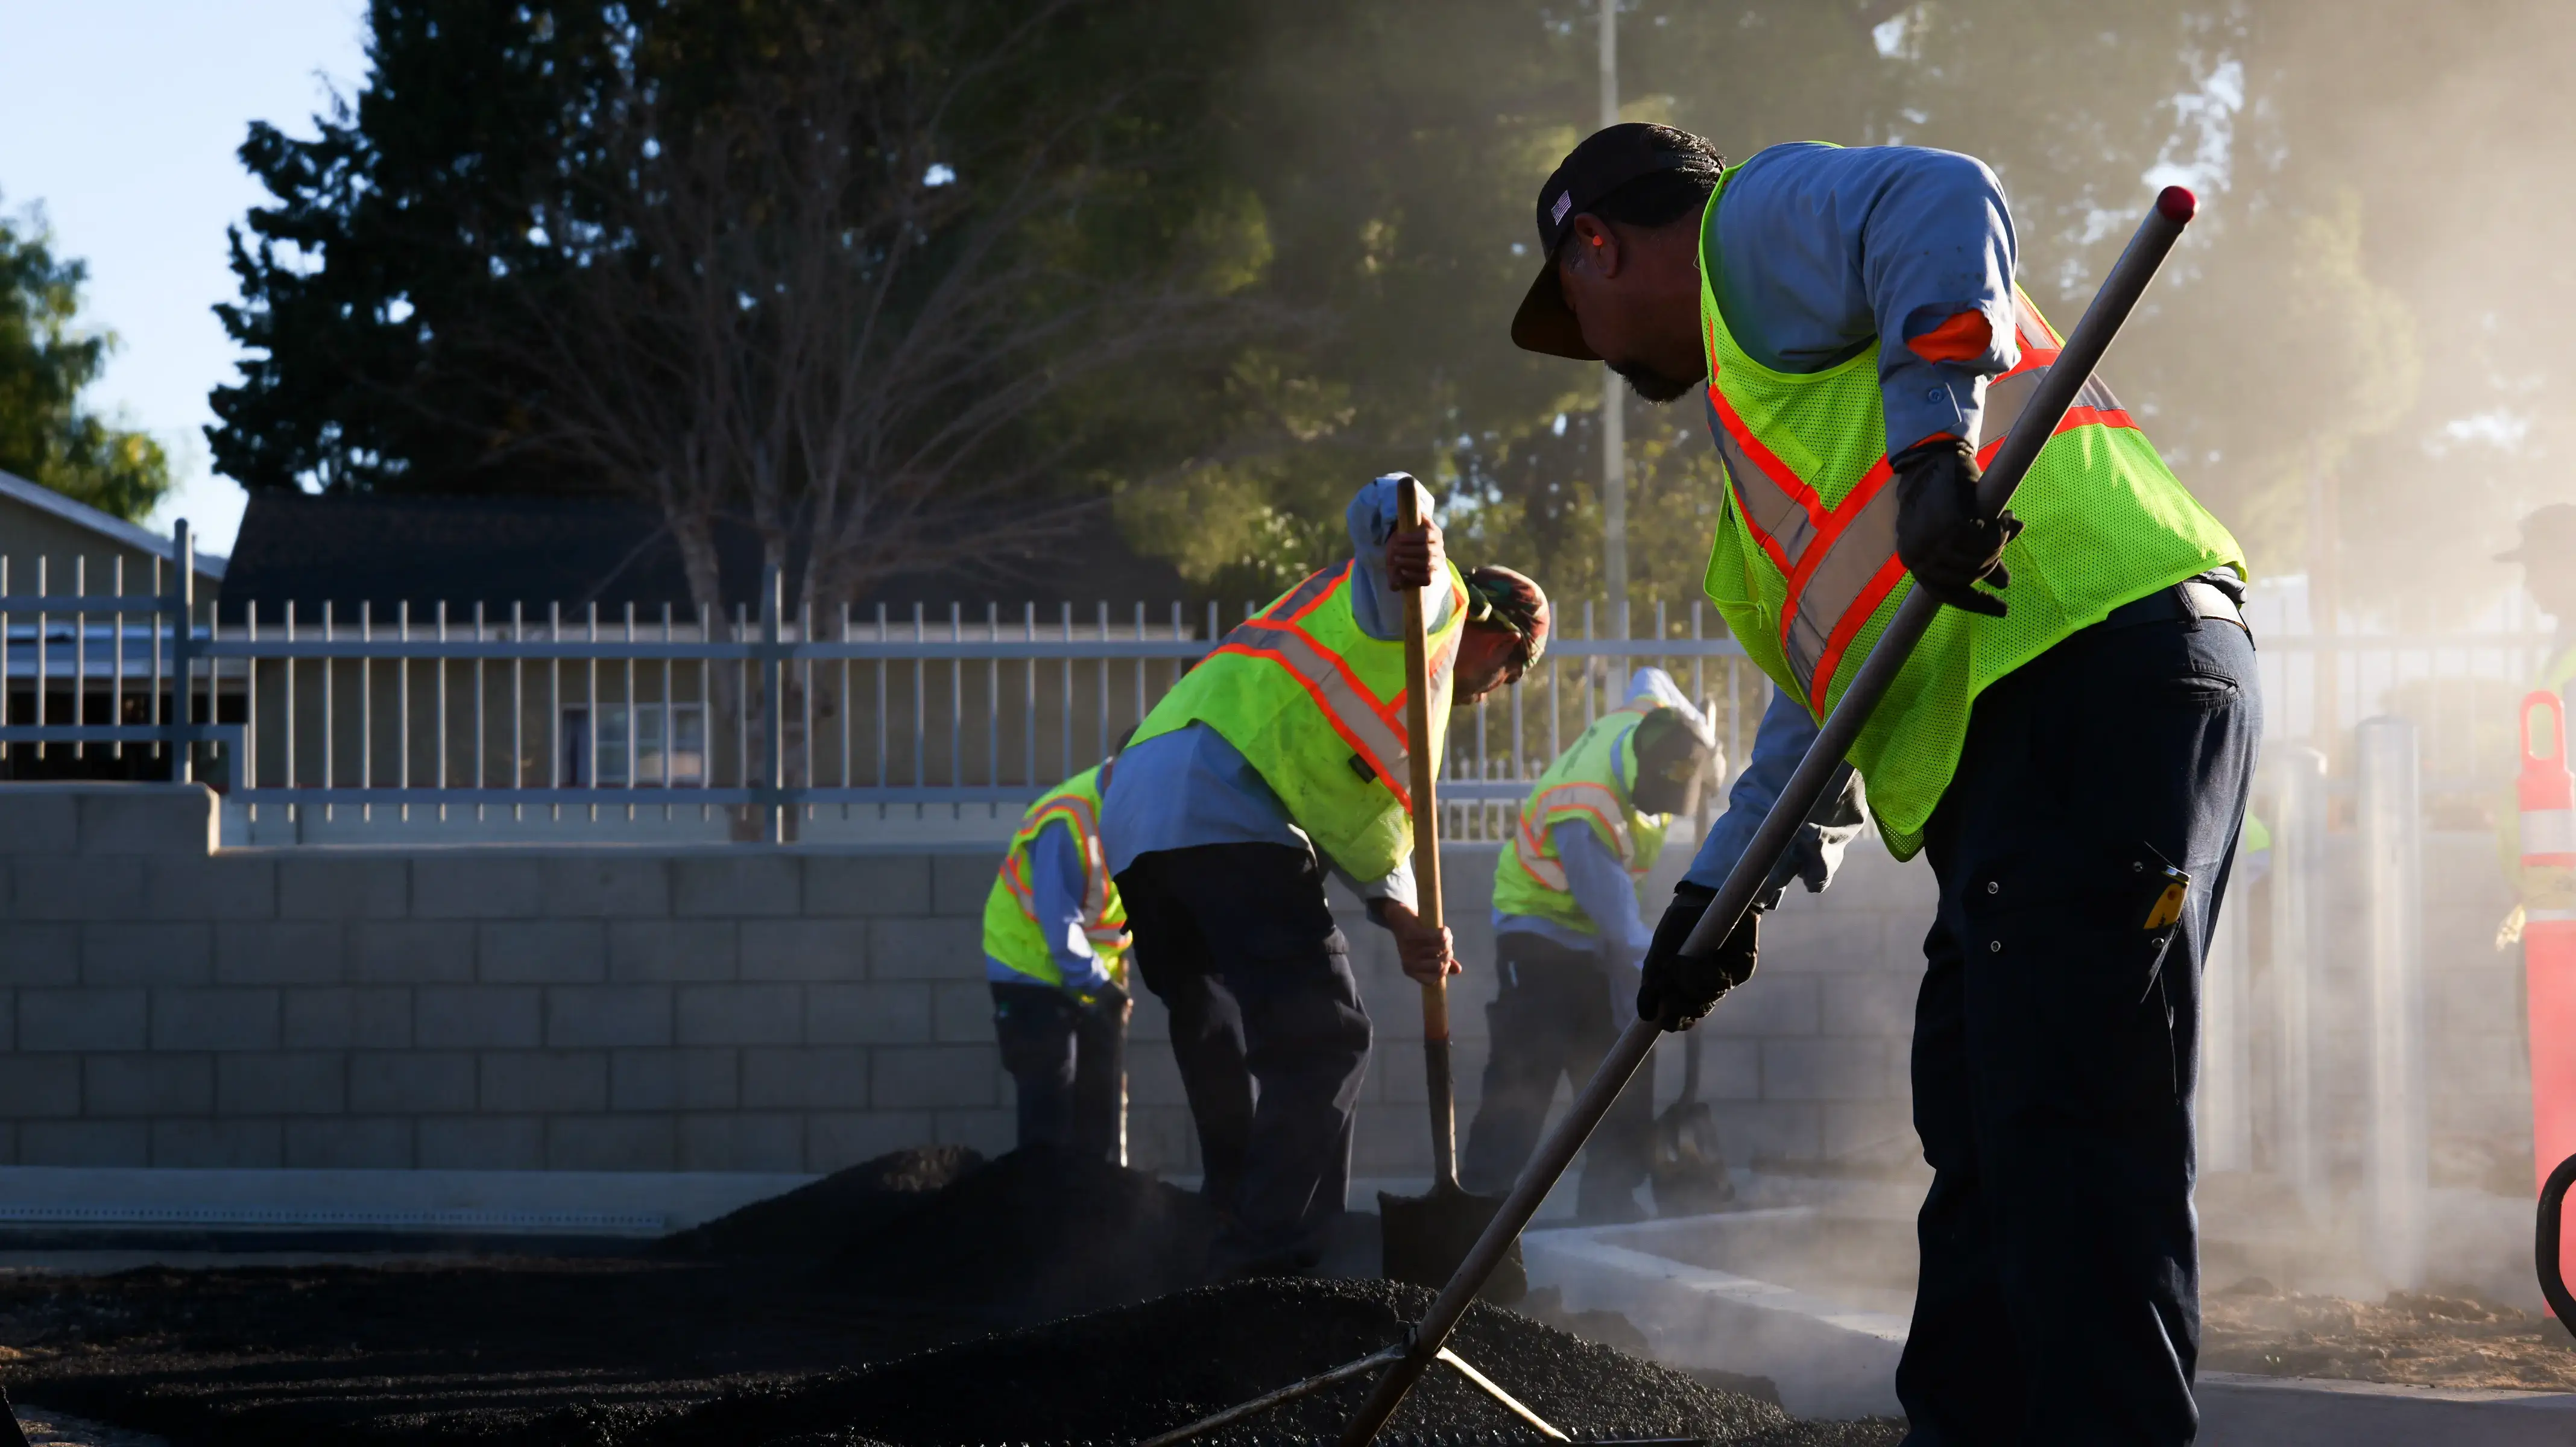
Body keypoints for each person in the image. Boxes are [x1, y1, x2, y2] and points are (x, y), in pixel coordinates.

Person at [1512, 124, 2257, 1443]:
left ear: (1597, 243)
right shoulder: (1765, 487)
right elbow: (1823, 714)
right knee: (1984, 1138)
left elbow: (1944, 190)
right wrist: (1714, 896)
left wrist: (1933, 457)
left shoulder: (1743, 235)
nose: (1595, 342)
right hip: (2022, 751)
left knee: (2069, 1138)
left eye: (1575, 304)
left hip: (2088, 667)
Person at [1102, 473, 1550, 1276]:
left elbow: (1366, 815)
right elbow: (1395, 497)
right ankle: (1275, 1269)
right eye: (1514, 670)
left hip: (1142, 820)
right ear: (1505, 639)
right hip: (1223, 805)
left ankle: (1227, 1226)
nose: (1503, 687)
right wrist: (1403, 538)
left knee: (1223, 1029)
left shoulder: (1404, 686)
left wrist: (1402, 915)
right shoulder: (1433, 608)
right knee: (1325, 1039)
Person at [1462, 667, 1716, 1222]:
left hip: (1591, 937)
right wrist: (1672, 988)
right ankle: (1480, 1214)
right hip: (1537, 931)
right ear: (1640, 779)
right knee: (1526, 1072)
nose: (1659, 816)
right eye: (1656, 805)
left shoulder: (1646, 721)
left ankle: (1610, 1204)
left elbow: (1652, 677)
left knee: (1623, 1069)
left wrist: (1704, 738)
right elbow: (1624, 935)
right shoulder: (1588, 811)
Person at [980, 760, 1131, 1162]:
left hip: (1090, 977)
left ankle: (1096, 1209)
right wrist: (1099, 985)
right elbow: (1058, 925)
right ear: (1123, 773)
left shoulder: (1138, 810)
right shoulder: (1069, 820)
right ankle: (1041, 1214)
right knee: (1051, 1103)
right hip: (1029, 970)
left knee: (1097, 1112)